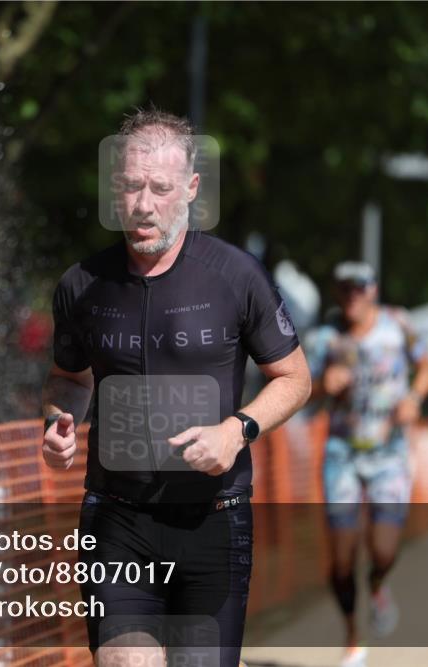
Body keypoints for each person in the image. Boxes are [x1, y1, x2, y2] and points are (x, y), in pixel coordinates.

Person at [40, 108, 312, 667]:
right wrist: (58, 422)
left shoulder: (236, 277)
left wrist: (238, 430)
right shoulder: (82, 286)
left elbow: (295, 378)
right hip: (117, 521)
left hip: (213, 520)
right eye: (131, 187)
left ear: (190, 188)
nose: (143, 205)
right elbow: (69, 378)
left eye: (160, 188)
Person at [308, 261, 428, 667]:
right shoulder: (327, 338)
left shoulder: (398, 324)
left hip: (390, 455)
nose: (352, 296)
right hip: (342, 455)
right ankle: (353, 636)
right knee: (342, 559)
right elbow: (299, 390)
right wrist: (321, 386)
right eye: (345, 289)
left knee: (382, 549)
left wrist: (414, 398)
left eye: (359, 288)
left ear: (373, 290)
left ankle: (378, 586)